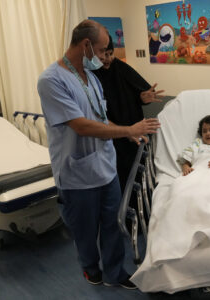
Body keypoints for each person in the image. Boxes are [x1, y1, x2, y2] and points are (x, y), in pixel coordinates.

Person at [37, 20, 160, 289]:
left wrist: (125, 132)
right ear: (86, 45)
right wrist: (128, 128)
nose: (105, 57)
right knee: (85, 230)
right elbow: (81, 126)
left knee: (113, 224)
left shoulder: (91, 78)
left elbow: (102, 119)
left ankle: (115, 273)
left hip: (106, 166)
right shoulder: (52, 80)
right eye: (103, 50)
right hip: (76, 171)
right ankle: (90, 268)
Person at [92, 35, 164, 195]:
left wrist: (143, 98)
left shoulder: (121, 68)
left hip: (134, 130)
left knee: (137, 173)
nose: (108, 59)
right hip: (109, 133)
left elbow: (139, 93)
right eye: (104, 55)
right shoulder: (91, 75)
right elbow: (94, 113)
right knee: (118, 177)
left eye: (111, 54)